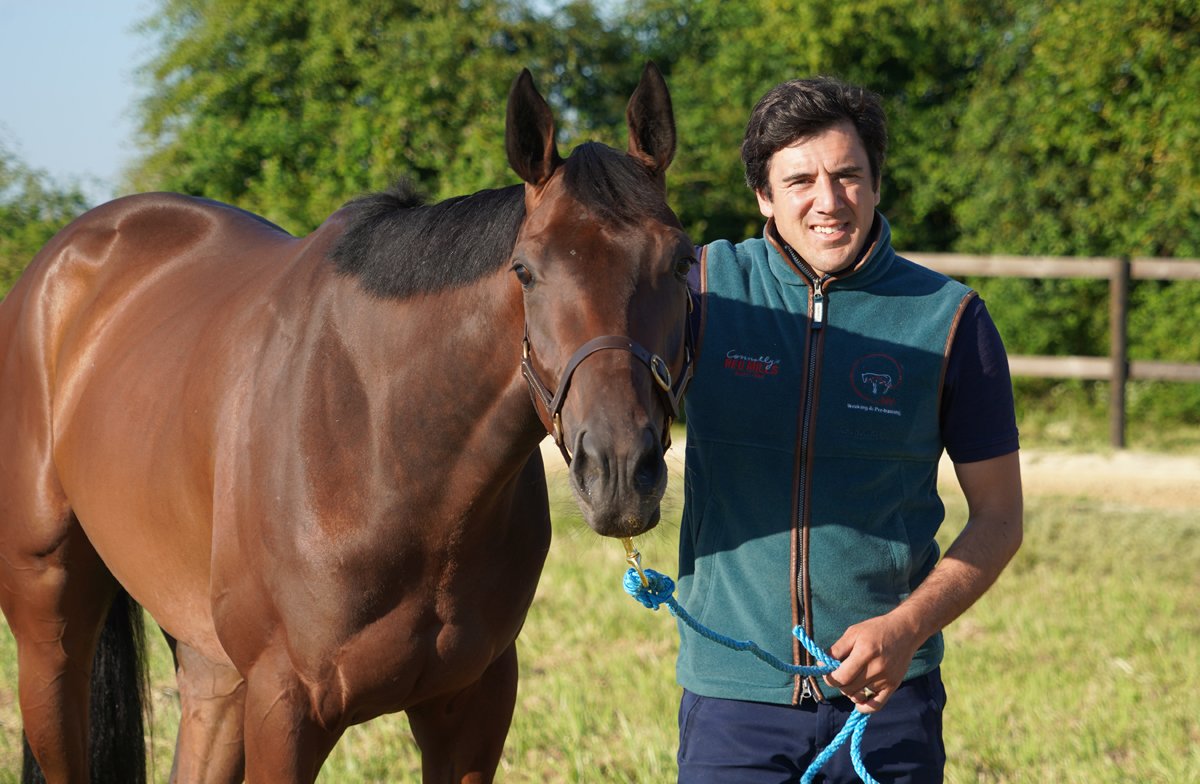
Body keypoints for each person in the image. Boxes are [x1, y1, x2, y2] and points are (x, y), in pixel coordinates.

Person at [675, 76, 1023, 783]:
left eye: (847, 176)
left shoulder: (949, 317)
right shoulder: (703, 290)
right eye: (799, 180)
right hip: (733, 704)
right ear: (764, 195)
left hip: (889, 704)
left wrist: (907, 628)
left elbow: (1001, 517)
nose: (828, 201)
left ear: (875, 182)